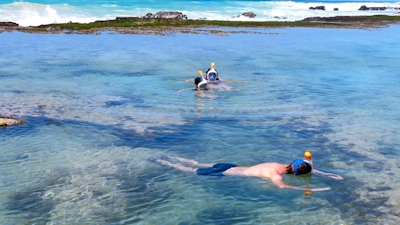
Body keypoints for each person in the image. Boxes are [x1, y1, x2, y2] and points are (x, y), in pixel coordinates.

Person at [149, 155, 343, 192]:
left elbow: (305, 166)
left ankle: (166, 156)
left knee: (196, 163)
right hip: (229, 173)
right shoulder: (277, 176)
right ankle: (163, 163)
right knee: (191, 171)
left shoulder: (280, 165)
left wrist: (327, 174)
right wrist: (314, 188)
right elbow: (283, 187)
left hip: (233, 165)